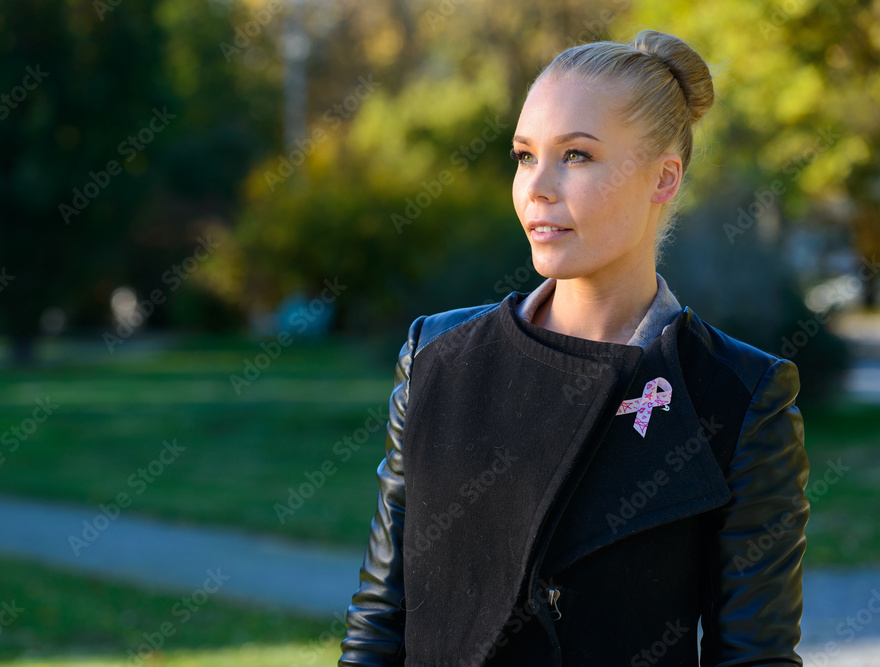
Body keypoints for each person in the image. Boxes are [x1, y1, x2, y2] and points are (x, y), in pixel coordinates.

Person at [339, 29, 810, 666]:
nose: (538, 186)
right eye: (525, 155)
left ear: (663, 178)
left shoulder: (739, 395)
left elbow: (754, 658)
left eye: (577, 156)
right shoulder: (437, 356)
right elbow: (378, 622)